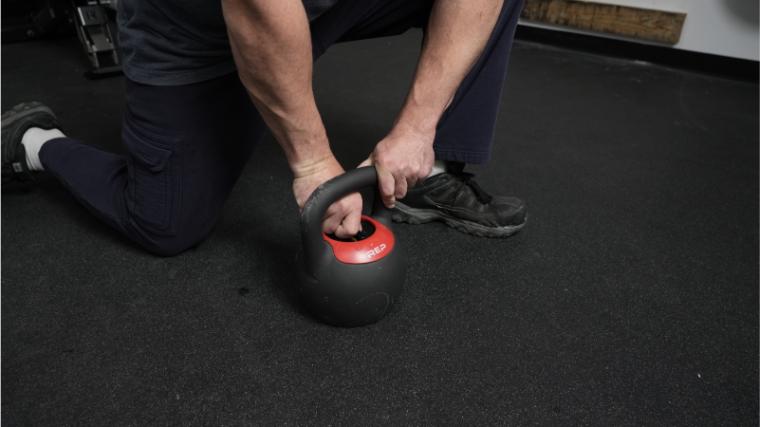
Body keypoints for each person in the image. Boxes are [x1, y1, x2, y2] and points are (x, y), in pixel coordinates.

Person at [1, 0, 527, 256]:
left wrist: (417, 127)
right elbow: (258, 11)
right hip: (191, 30)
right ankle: (34, 141)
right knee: (163, 223)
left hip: (322, 6)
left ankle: (425, 172)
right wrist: (314, 162)